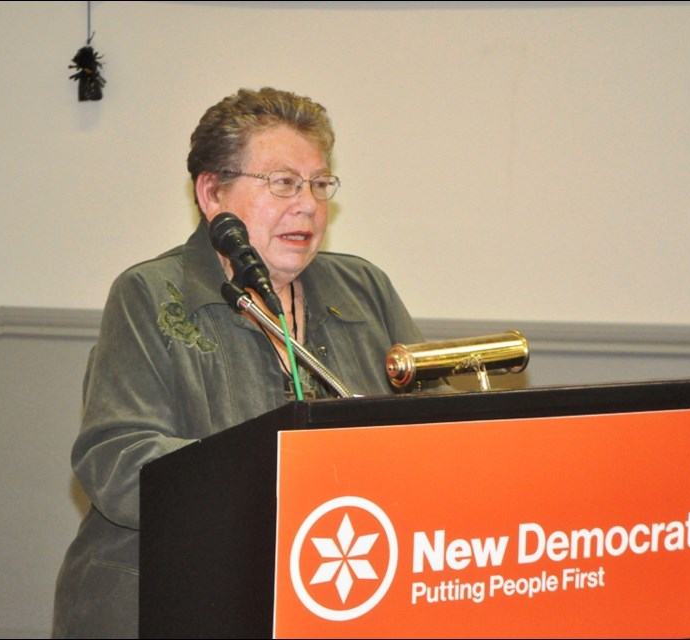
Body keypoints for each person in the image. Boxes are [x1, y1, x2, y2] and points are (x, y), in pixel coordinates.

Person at [51, 87, 437, 638]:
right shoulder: (150, 296)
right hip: (172, 598)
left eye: (319, 184)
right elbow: (118, 461)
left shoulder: (365, 289)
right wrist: (286, 484)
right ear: (212, 193)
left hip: (336, 590)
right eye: (282, 182)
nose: (307, 204)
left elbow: (431, 420)